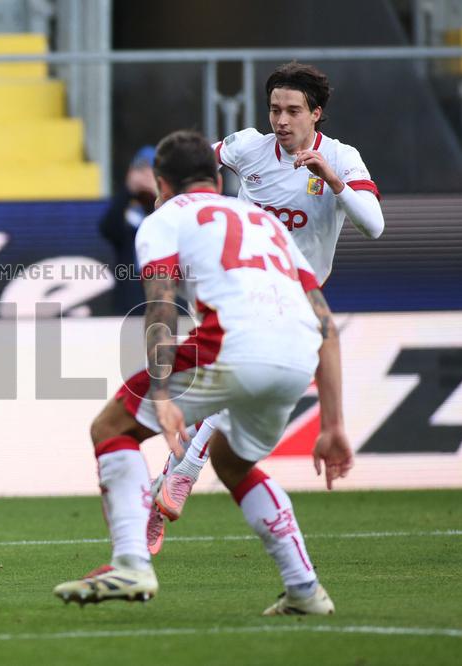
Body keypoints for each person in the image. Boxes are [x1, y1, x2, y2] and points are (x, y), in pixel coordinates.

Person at [53, 130, 353, 613]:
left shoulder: (163, 218)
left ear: (160, 184)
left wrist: (163, 392)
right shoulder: (263, 220)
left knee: (111, 428)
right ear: (217, 178)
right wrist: (334, 425)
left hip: (232, 342)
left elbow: (162, 304)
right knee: (232, 462)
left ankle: (130, 563)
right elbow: (327, 326)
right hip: (298, 352)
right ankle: (304, 590)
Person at [147, 61, 383, 554]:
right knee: (235, 378)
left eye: (293, 110)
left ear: (316, 114)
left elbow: (375, 225)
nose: (281, 119)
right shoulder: (247, 147)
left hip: (300, 295)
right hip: (239, 288)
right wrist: (169, 206)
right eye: (275, 108)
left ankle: (176, 473)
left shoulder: (341, 157)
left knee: (234, 383)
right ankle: (178, 475)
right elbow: (192, 171)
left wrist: (334, 181)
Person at [98, 146, 157, 314]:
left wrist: (159, 192)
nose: (145, 175)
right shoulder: (126, 208)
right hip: (128, 298)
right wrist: (129, 190)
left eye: (151, 170)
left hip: (160, 292)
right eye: (141, 169)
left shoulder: (167, 209)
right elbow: (107, 229)